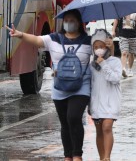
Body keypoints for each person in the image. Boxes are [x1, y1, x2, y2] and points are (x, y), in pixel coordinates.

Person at [6, 9, 99, 161]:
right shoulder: (54, 38)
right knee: (64, 122)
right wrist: (20, 34)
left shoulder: (88, 41)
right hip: (60, 88)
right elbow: (37, 40)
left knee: (74, 117)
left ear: (79, 23)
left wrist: (106, 43)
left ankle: (77, 155)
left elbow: (103, 53)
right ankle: (68, 156)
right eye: (66, 20)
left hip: (81, 86)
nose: (69, 23)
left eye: (72, 20)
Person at [89, 29, 122, 161]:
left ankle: (107, 157)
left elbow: (115, 78)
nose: (98, 49)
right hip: (96, 103)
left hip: (111, 102)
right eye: (95, 47)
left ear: (106, 46)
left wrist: (104, 63)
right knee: (99, 131)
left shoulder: (115, 62)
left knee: (107, 127)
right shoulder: (91, 65)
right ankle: (101, 157)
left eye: (101, 46)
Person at [112, 11, 136, 77]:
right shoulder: (121, 8)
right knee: (124, 52)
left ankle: (130, 69)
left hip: (133, 35)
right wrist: (113, 30)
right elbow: (116, 19)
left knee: (132, 53)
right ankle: (123, 69)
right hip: (123, 35)